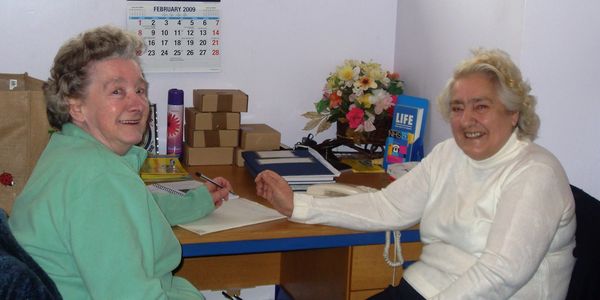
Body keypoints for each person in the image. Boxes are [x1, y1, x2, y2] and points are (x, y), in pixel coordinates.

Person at [255, 48, 576, 299]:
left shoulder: (534, 173)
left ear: (513, 113)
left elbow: (500, 275)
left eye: (481, 106)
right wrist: (297, 205)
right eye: (457, 107)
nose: (466, 120)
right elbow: (389, 207)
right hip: (425, 288)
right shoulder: (450, 153)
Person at [8, 25, 232, 299]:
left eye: (140, 90)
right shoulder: (99, 179)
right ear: (76, 106)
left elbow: (131, 210)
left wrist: (197, 202)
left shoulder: (68, 149)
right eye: (117, 91)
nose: (137, 104)